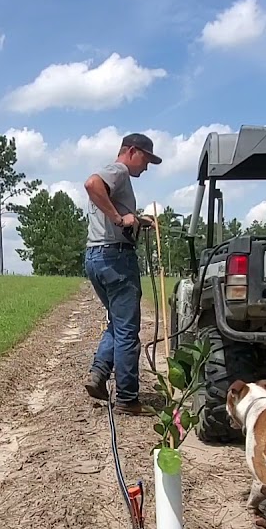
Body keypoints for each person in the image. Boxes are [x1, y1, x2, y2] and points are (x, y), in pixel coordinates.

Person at [81, 132, 161, 415]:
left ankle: (99, 373)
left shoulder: (118, 177)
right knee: (128, 329)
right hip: (116, 258)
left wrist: (136, 220)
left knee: (118, 321)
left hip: (96, 256)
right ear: (131, 151)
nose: (147, 166)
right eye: (146, 159)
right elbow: (92, 184)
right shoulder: (119, 170)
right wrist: (119, 218)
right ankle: (127, 398)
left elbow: (111, 211)